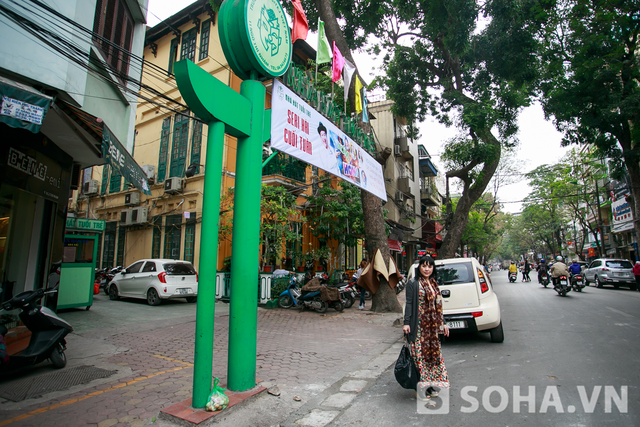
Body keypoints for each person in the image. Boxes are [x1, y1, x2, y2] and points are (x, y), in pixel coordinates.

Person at [402, 256, 450, 401]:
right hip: (419, 328)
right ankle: (420, 390)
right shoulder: (413, 283)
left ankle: (428, 388)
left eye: (430, 266)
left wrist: (444, 323)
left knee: (431, 358)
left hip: (432, 329)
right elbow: (409, 304)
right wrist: (406, 323)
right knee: (420, 359)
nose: (427, 269)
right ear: (419, 267)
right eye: (424, 266)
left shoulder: (434, 283)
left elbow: (438, 307)